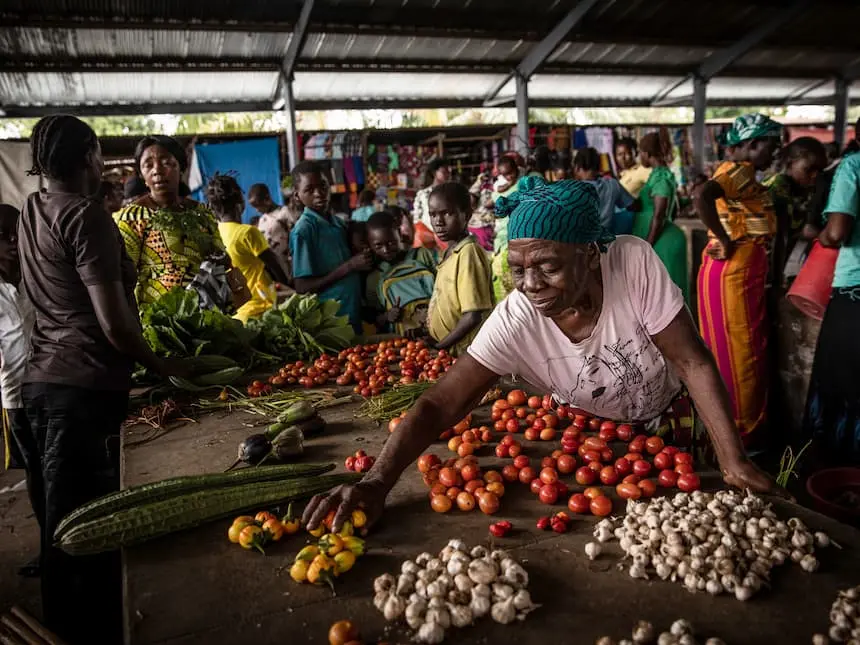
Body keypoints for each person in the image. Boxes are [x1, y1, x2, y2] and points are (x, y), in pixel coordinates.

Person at [302, 177, 786, 533]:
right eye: (518, 269)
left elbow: (692, 361)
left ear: (590, 254)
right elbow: (439, 404)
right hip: (592, 441)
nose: (531, 285)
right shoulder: (517, 316)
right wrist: (378, 481)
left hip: (666, 422)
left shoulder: (632, 261)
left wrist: (733, 459)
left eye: (549, 267)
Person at [19, 115, 186, 644]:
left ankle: (66, 626)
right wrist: (166, 369)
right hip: (84, 386)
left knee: (58, 526)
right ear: (90, 156)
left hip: (40, 383)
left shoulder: (31, 208)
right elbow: (115, 325)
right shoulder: (88, 217)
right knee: (86, 530)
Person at [695, 113, 783, 442]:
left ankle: (722, 424)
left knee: (722, 345)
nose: (774, 154)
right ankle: (745, 430)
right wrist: (728, 238)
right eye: (771, 146)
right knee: (744, 348)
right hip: (737, 266)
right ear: (751, 144)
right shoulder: (740, 171)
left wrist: (724, 236)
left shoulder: (729, 171)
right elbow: (702, 198)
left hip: (723, 269)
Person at [114, 136, 224, 306]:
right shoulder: (132, 218)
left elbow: (221, 258)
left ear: (181, 167)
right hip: (156, 321)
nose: (157, 170)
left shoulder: (202, 213)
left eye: (166, 162)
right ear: (142, 174)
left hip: (205, 314)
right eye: (148, 165)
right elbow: (124, 277)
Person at [801, 148, 860, 463]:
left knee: (841, 385)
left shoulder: (853, 166)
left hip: (855, 293)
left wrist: (821, 236)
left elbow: (837, 232)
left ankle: (839, 474)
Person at [0, 204, 38, 577]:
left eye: (17, 233)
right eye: (3, 237)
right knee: (35, 472)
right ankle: (49, 544)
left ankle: (62, 541)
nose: (12, 242)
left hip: (49, 384)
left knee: (54, 470)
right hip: (15, 395)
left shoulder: (34, 275)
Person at [290, 161, 371, 334]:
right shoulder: (304, 230)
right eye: (309, 190)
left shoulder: (338, 223)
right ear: (297, 196)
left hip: (352, 313)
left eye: (323, 186)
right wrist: (350, 266)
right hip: (331, 323)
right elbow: (302, 287)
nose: (319, 194)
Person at [206, 175, 289, 323]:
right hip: (260, 310)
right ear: (240, 203)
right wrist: (291, 286)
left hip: (238, 313)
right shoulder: (248, 233)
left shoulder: (217, 233)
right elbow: (273, 263)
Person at [427, 182, 494, 356]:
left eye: (446, 213)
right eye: (432, 215)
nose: (438, 222)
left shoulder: (468, 253)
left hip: (465, 351)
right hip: (450, 349)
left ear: (467, 215)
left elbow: (472, 316)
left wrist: (440, 347)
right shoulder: (449, 253)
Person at [631, 130, 688, 303]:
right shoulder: (657, 175)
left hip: (661, 242)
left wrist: (647, 245)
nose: (639, 156)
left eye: (640, 152)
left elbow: (659, 214)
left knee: (663, 297)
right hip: (657, 239)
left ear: (646, 154)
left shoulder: (661, 178)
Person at [763, 137, 826, 284]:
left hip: (777, 262)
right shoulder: (778, 188)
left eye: (819, 170)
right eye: (809, 169)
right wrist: (776, 281)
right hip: (763, 263)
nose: (814, 175)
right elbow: (779, 238)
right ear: (790, 163)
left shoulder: (802, 189)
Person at [366, 211, 436, 335]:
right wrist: (387, 316)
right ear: (370, 245)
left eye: (391, 242)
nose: (386, 249)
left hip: (436, 329)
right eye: (378, 246)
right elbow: (375, 320)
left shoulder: (421, 255)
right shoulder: (373, 278)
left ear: (399, 234)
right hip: (404, 343)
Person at [573, 147, 635, 232]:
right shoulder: (612, 184)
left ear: (577, 167)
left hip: (580, 240)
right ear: (599, 167)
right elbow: (632, 205)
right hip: (605, 239)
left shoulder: (573, 189)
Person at [491, 155, 522, 301]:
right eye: (506, 174)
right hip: (504, 237)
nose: (509, 177)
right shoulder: (498, 188)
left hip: (519, 235)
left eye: (511, 172)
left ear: (516, 169)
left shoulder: (524, 183)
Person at [248, 183, 299, 266]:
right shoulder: (262, 219)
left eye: (258, 206)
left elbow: (296, 236)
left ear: (267, 199)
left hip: (288, 262)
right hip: (273, 265)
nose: (257, 210)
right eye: (255, 207)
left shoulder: (284, 212)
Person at [412, 158, 451, 250]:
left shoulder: (451, 193)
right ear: (434, 173)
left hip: (446, 236)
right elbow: (417, 218)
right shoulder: (423, 194)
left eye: (448, 172)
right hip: (426, 238)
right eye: (444, 171)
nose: (448, 174)